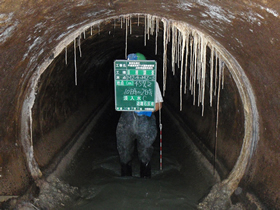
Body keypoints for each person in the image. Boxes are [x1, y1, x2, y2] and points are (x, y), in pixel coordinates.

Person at [116, 53, 163, 178]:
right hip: (126, 124)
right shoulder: (122, 82)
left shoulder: (152, 83)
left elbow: (159, 104)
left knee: (145, 153)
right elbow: (119, 100)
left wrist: (146, 110)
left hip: (145, 123)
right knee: (124, 152)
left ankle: (145, 180)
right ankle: (126, 180)